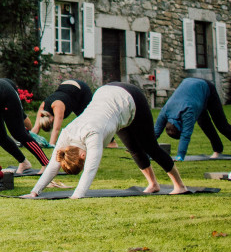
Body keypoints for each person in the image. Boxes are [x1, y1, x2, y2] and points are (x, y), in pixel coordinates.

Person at [27, 82, 188, 199]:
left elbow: (90, 169)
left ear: (83, 155)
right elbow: (53, 165)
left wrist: (77, 195)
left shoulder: (93, 135)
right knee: (133, 148)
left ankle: (180, 186)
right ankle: (153, 185)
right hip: (108, 99)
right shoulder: (67, 133)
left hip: (130, 97)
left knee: (150, 146)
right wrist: (35, 191)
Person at [153, 77, 231, 161]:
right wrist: (145, 153)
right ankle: (218, 150)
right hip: (194, 95)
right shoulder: (165, 111)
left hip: (206, 88)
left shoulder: (187, 113)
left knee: (221, 125)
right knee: (205, 125)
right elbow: (154, 133)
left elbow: (186, 135)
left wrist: (180, 156)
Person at [33, 79, 93, 144]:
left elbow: (56, 129)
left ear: (51, 120)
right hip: (66, 86)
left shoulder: (57, 106)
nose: (54, 124)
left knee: (89, 118)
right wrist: (27, 142)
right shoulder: (43, 107)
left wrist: (51, 144)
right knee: (81, 117)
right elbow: (36, 127)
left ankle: (100, 140)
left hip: (81, 89)